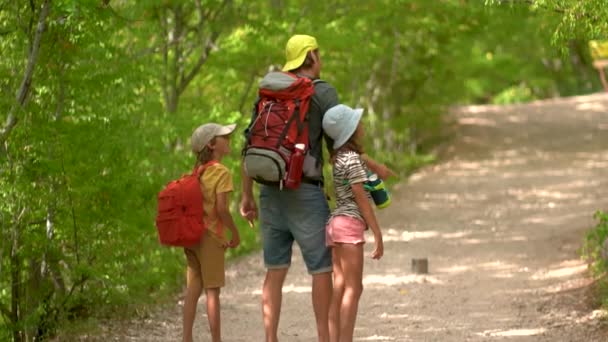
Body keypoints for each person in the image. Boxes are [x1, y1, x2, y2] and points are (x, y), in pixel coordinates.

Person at [239, 34, 394, 342]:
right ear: (311, 56)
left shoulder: (269, 92)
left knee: (274, 269)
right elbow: (342, 138)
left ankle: (271, 338)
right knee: (321, 270)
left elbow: (252, 143)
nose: (321, 60)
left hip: (268, 190)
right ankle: (325, 337)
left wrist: (246, 195)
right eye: (318, 54)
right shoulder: (321, 92)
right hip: (305, 191)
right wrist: (372, 167)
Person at [322, 104, 384, 342]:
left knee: (339, 287)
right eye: (358, 122)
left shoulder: (339, 158)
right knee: (354, 289)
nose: (363, 125)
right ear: (350, 130)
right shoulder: (353, 160)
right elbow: (360, 197)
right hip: (349, 225)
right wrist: (378, 233)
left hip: (335, 224)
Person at [183, 122, 241, 342]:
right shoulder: (221, 172)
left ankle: (186, 338)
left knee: (193, 289)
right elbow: (222, 209)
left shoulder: (196, 172)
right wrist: (234, 233)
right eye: (224, 136)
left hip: (192, 238)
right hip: (211, 237)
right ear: (212, 144)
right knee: (213, 292)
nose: (229, 139)